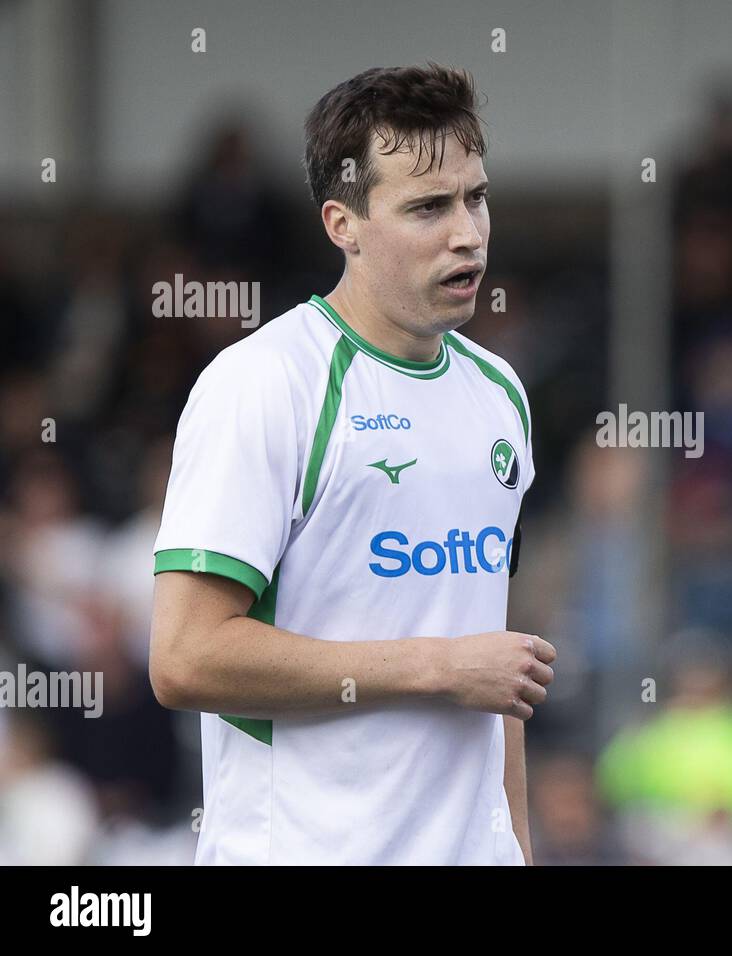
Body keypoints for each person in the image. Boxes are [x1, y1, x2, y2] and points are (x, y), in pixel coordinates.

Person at [149, 64, 554, 865]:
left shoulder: (499, 391)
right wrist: (437, 667)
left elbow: (491, 667)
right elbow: (185, 658)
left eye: (475, 197)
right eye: (428, 207)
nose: (467, 232)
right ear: (345, 223)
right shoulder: (265, 383)